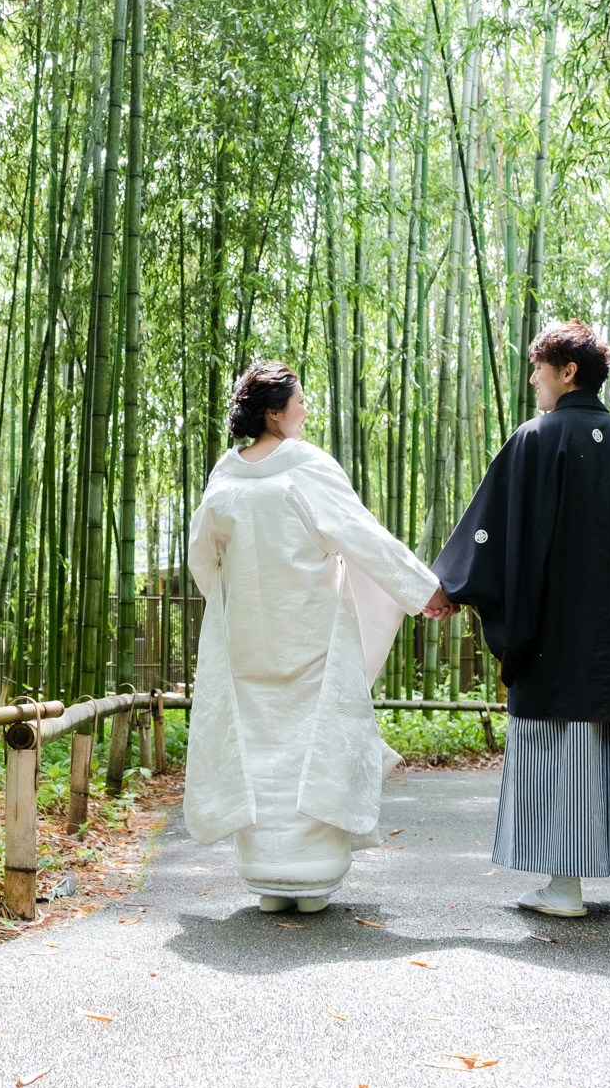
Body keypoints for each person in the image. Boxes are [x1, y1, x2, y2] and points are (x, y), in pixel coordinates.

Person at [429, 320, 610, 918]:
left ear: (568, 372)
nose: (534, 379)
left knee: (560, 750)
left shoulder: (534, 440)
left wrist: (451, 586)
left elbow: (490, 531)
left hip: (551, 638)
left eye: (539, 368)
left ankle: (563, 889)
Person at [184, 360, 443, 914]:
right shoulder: (307, 468)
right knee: (312, 738)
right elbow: (361, 536)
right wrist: (424, 591)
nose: (306, 409)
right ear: (275, 413)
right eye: (299, 401)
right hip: (311, 629)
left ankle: (269, 879)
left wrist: (238, 602)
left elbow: (203, 561)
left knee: (257, 742)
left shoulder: (224, 477)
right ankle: (311, 879)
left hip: (247, 634)